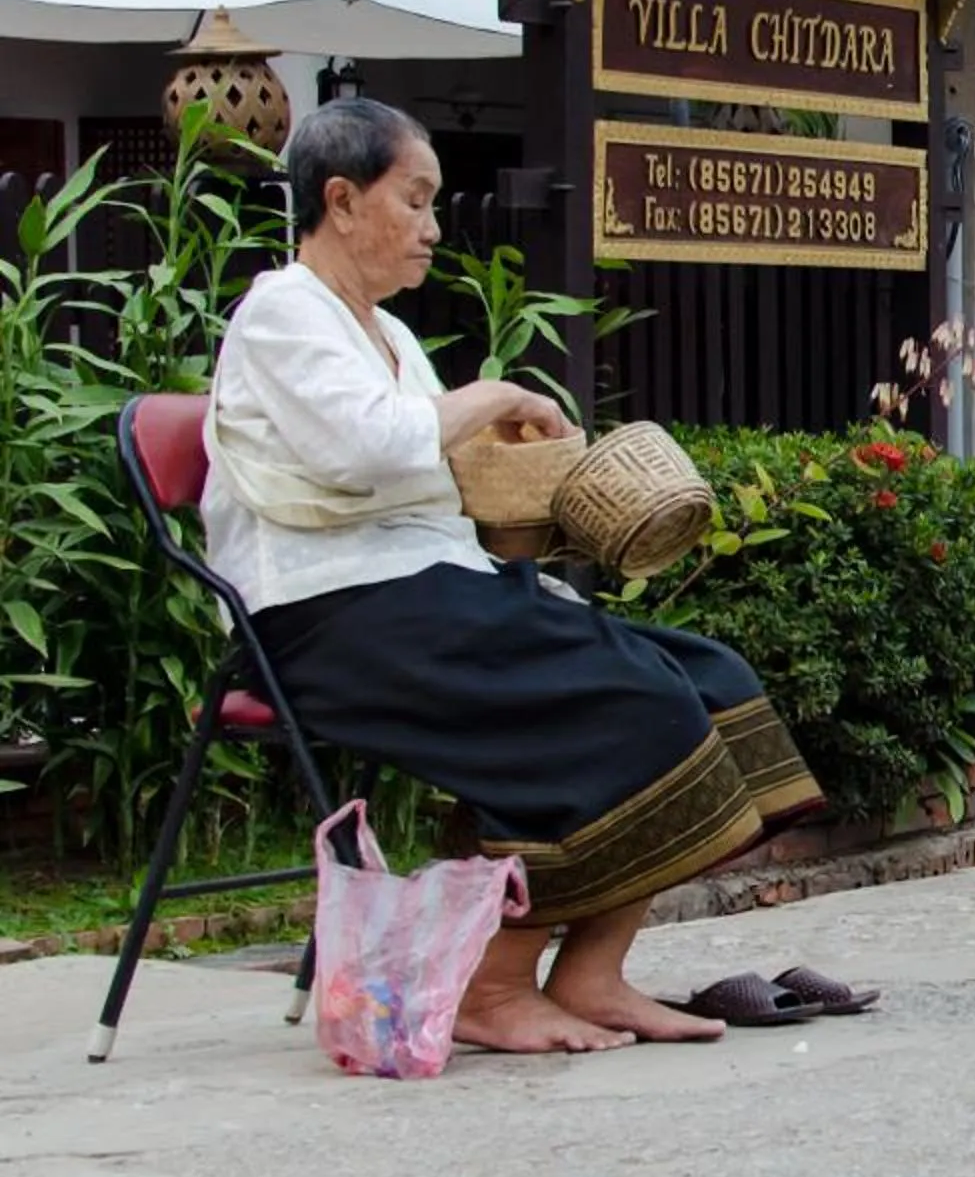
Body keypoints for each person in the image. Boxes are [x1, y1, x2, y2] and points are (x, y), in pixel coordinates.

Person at [202, 101, 825, 1055]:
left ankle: (590, 973)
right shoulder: (283, 310)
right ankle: (495, 983)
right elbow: (373, 447)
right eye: (414, 202)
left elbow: (436, 485)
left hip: (424, 591)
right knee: (634, 703)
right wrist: (499, 393)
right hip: (326, 619)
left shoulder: (391, 339)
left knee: (708, 680)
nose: (432, 228)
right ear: (340, 200)